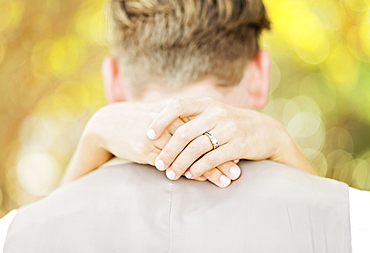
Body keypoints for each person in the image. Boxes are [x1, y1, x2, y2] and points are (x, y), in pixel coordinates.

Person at [1, 0, 369, 252]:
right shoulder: (355, 220)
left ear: (112, 80)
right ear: (260, 73)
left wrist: (93, 140)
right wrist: (285, 149)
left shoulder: (14, 235)